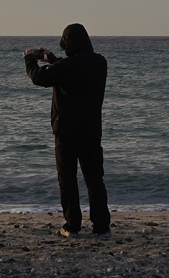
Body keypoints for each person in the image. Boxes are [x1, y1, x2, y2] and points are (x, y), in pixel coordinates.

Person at [23, 23, 111, 239]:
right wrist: (53, 60)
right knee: (94, 180)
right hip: (91, 131)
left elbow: (39, 78)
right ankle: (102, 227)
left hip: (66, 133)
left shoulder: (65, 68)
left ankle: (72, 226)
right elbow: (75, 68)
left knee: (68, 180)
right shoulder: (100, 63)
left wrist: (30, 60)